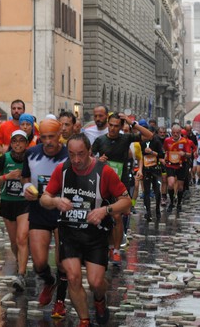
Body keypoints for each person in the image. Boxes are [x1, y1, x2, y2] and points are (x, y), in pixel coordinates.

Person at [40, 133, 132, 327]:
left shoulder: (104, 172)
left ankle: (99, 300)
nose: (76, 160)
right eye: (71, 154)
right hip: (69, 233)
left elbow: (126, 202)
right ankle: (84, 320)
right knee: (72, 277)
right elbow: (44, 198)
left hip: (95, 235)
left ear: (90, 151)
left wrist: (105, 210)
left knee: (96, 282)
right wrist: (56, 200)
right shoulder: (62, 170)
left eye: (81, 154)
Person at [22, 119, 69, 319]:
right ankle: (49, 281)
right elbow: (25, 177)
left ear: (60, 135)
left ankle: (59, 301)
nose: (48, 141)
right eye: (44, 137)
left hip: (63, 213)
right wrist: (26, 187)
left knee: (62, 262)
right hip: (39, 210)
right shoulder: (31, 153)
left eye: (52, 136)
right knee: (39, 262)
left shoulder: (69, 156)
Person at [91, 114, 151, 264]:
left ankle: (116, 250)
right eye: (110, 125)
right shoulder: (100, 140)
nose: (112, 128)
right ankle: (107, 246)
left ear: (120, 127)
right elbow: (89, 158)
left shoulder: (126, 139)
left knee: (117, 217)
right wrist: (98, 160)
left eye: (116, 126)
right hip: (103, 183)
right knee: (103, 216)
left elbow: (149, 135)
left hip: (120, 183)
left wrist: (132, 123)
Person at [0, 130, 30, 292]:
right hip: (8, 202)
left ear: (26, 144)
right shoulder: (4, 158)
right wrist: (8, 177)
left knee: (22, 239)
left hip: (24, 203)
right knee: (14, 242)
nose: (18, 144)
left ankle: (21, 274)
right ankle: (20, 261)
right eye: (15, 141)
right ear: (11, 144)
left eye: (21, 141)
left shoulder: (30, 158)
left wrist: (26, 180)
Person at [163, 124, 191, 213]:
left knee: (180, 187)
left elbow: (190, 154)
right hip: (170, 165)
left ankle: (179, 203)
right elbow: (165, 150)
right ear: (171, 132)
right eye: (173, 132)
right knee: (170, 184)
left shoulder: (184, 141)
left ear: (180, 133)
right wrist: (164, 158)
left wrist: (184, 154)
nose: (175, 134)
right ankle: (171, 202)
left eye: (177, 133)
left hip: (181, 165)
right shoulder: (167, 140)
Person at [141, 126, 165, 221]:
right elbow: (140, 155)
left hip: (156, 169)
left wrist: (152, 152)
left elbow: (162, 155)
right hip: (146, 169)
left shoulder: (157, 141)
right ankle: (148, 212)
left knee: (156, 190)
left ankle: (157, 209)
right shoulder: (142, 141)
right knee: (146, 191)